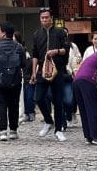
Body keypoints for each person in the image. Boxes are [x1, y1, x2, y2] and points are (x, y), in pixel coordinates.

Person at [30, 7, 68, 142]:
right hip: (42, 70)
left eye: (46, 17)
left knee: (58, 100)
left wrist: (56, 51)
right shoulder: (36, 34)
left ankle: (58, 130)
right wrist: (33, 72)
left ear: (51, 18)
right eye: (42, 18)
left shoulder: (59, 32)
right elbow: (34, 54)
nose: (44, 20)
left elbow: (66, 49)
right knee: (38, 98)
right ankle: (48, 120)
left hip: (58, 69)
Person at [0, 22, 26, 142]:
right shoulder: (19, 47)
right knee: (14, 105)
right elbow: (23, 64)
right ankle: (13, 131)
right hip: (15, 81)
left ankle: (3, 131)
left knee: (1, 105)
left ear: (3, 33)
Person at [62, 27, 82, 128]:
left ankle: (69, 115)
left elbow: (78, 58)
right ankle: (63, 120)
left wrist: (76, 71)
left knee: (69, 99)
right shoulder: (55, 45)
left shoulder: (73, 46)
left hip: (69, 74)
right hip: (58, 74)